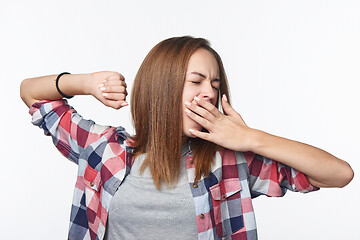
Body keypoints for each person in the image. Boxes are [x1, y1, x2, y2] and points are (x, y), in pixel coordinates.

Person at [20, 36, 353, 240]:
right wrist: (87, 82)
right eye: (196, 81)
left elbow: (338, 173)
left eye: (216, 84)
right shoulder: (103, 148)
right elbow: (32, 94)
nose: (209, 92)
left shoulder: (229, 162)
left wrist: (250, 138)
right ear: (163, 87)